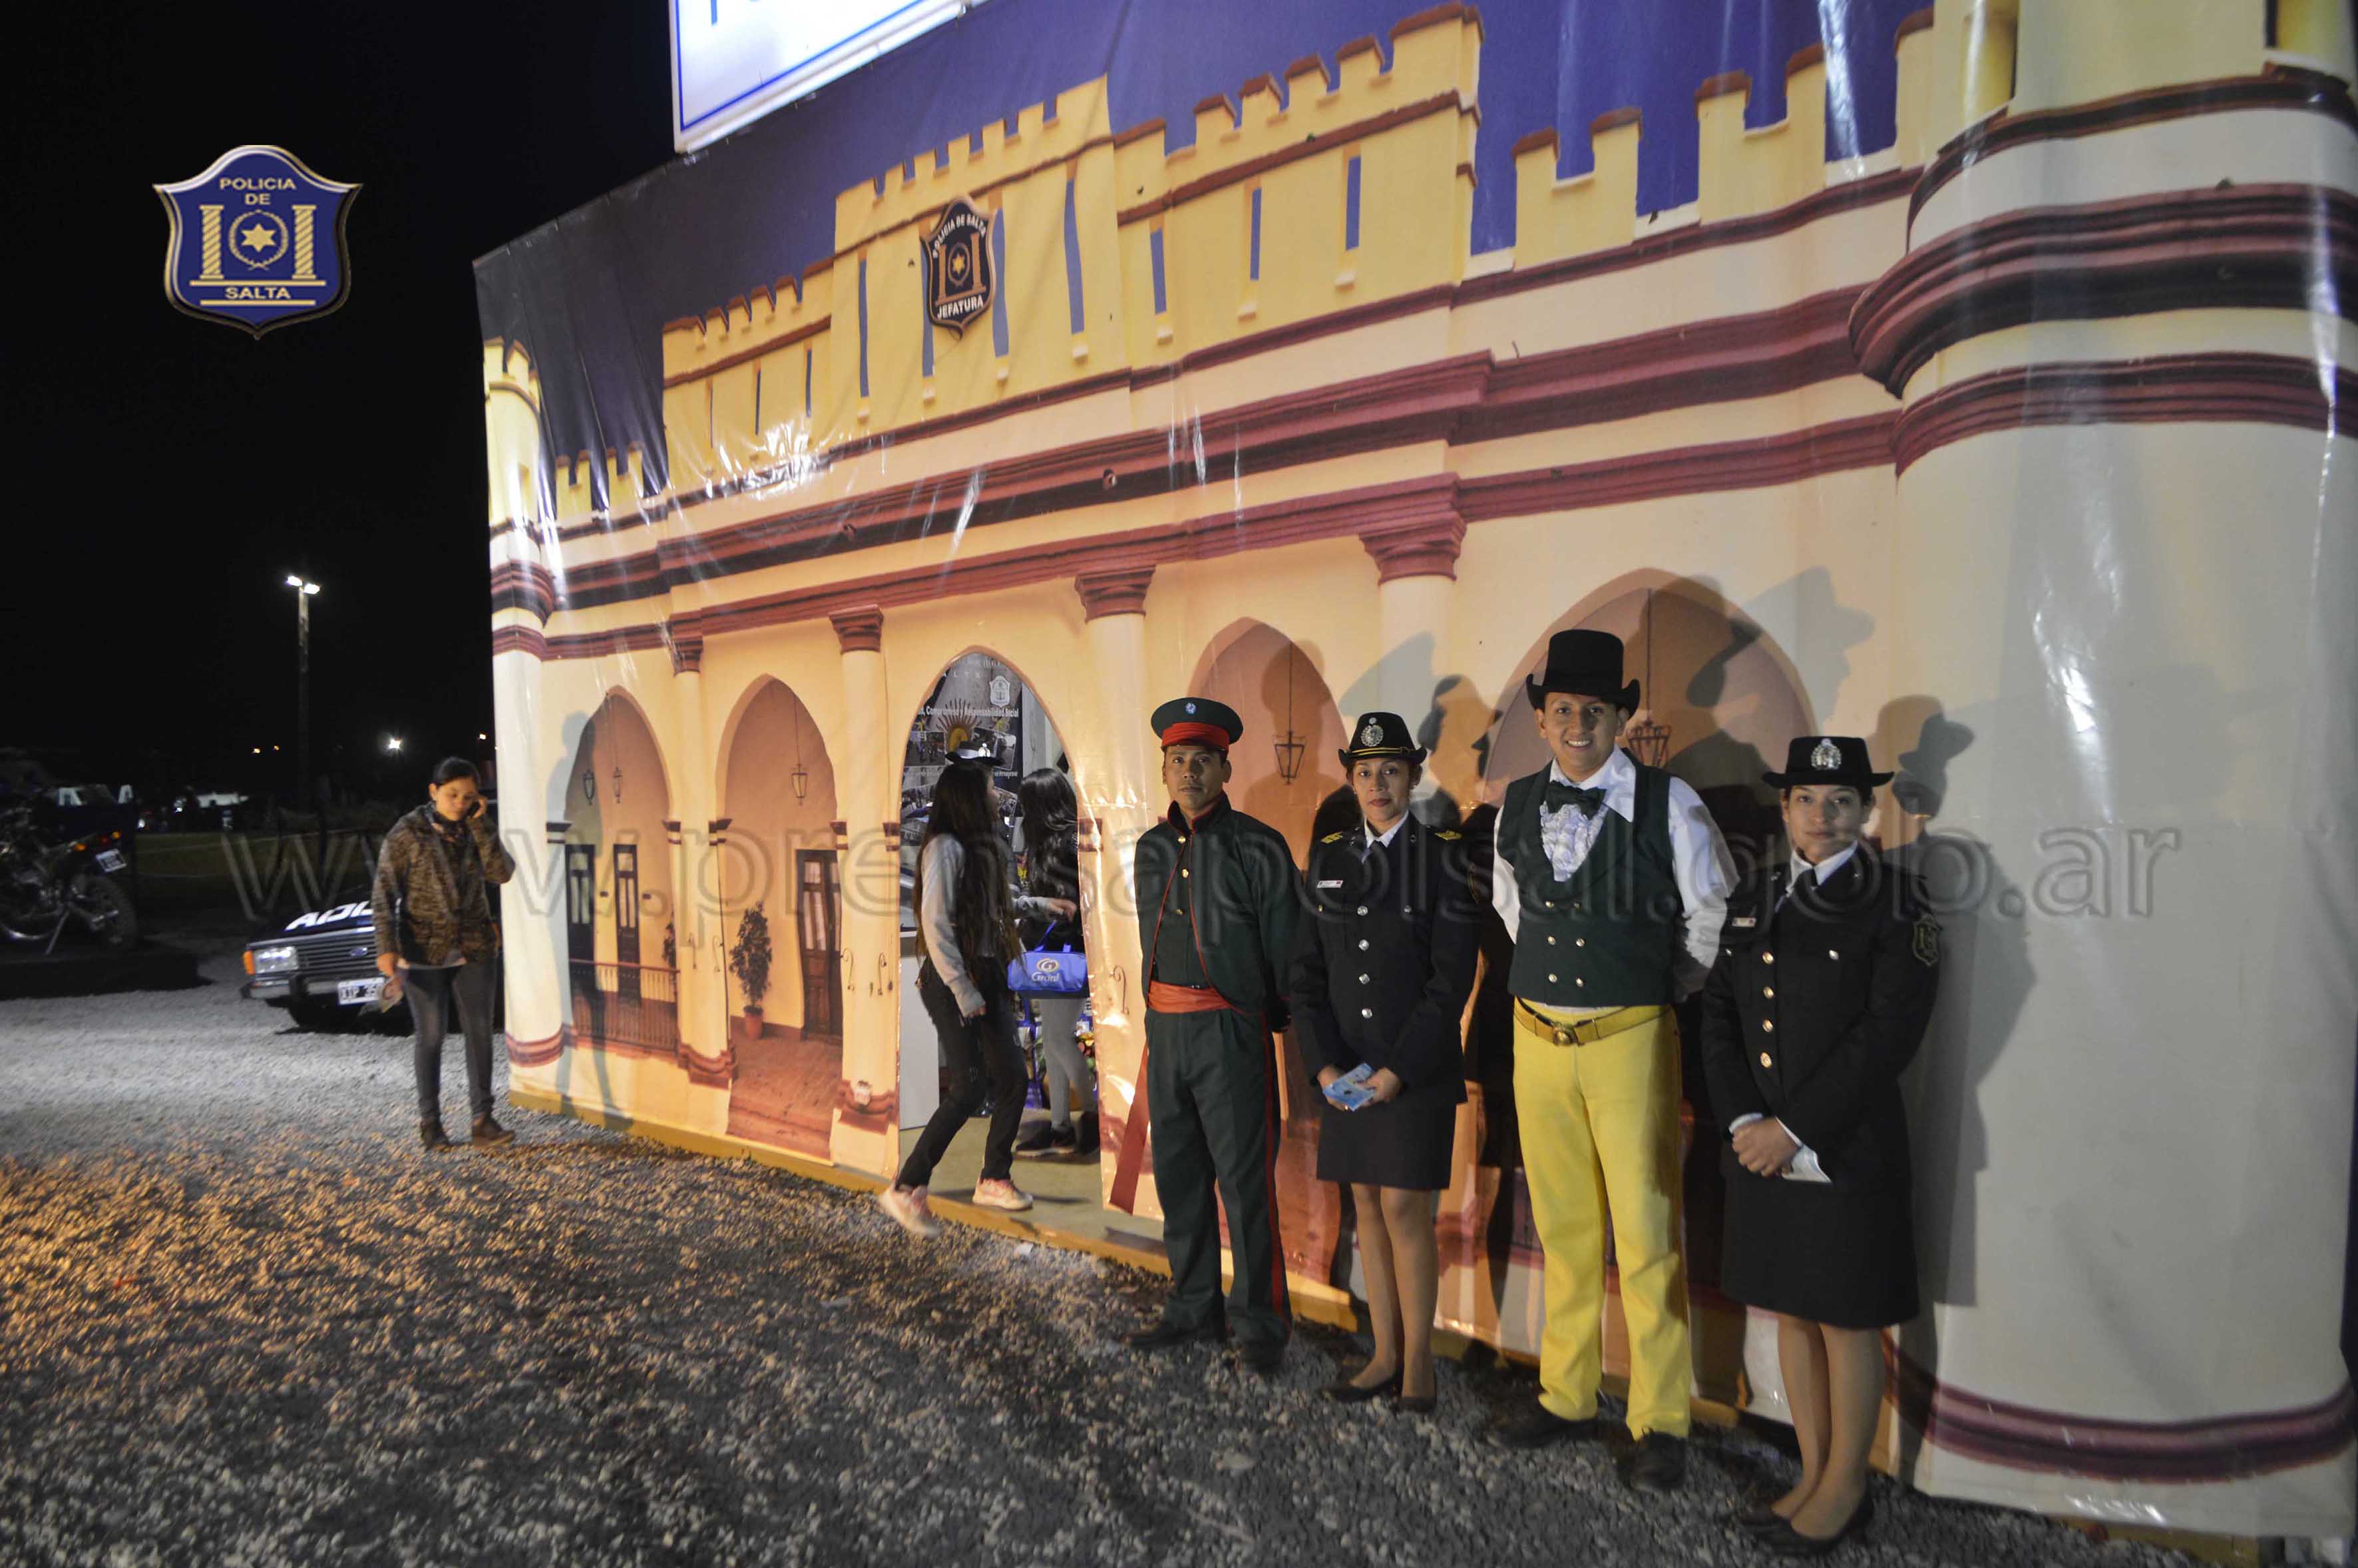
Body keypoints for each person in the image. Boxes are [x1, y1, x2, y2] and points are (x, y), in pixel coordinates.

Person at [1487, 629, 1733, 1492]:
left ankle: (1659, 1415)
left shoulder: (1668, 803)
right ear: (1543, 719)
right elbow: (1513, 910)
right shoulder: (1516, 802)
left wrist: (1642, 987)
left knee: (1643, 1231)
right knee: (1561, 1225)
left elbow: (1707, 917)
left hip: (1628, 1039)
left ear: (1621, 716)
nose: (1577, 725)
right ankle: (1565, 1392)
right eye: (1562, 711)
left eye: (1594, 711)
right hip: (1534, 1039)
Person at [1700, 736, 1938, 1556]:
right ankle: (1809, 1471)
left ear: (1865, 811)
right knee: (1794, 1312)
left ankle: (1847, 1487)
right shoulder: (1758, 893)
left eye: (1840, 801)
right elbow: (1721, 1014)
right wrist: (1741, 1123)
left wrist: (1793, 1130)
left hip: (1845, 1148)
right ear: (1785, 807)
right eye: (1806, 799)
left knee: (1847, 1320)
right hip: (1762, 1147)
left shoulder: (1898, 900)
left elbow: (1887, 1034)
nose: (1822, 815)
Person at [1289, 711, 1478, 1413]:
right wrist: (1325, 1070)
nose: (1377, 783)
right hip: (1346, 1072)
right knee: (1365, 1200)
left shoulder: (1444, 861)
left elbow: (1450, 980)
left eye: (1391, 770)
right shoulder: (1329, 861)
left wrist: (1395, 1073)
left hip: (1413, 1071)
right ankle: (1385, 1353)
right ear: (1351, 777)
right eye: (1365, 771)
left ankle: (1421, 1365)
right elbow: (1305, 974)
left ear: (1413, 776)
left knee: (1404, 1207)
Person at [1120, 697, 1302, 1377]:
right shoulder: (1149, 850)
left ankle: (1260, 1324)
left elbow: (1287, 947)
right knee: (1179, 1176)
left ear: (1226, 767)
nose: (1189, 772)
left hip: (1230, 1030)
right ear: (1164, 769)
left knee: (1244, 1184)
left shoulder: (1260, 845)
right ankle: (1194, 1305)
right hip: (1166, 1031)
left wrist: (1267, 1017)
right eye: (1177, 760)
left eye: (1202, 760)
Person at [878, 763, 1034, 1237]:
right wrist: (964, 991)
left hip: (981, 974)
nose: (996, 796)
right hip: (956, 980)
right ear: (969, 796)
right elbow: (936, 925)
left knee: (1009, 1078)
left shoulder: (974, 848)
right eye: (989, 788)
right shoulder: (944, 849)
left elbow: (992, 906)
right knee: (970, 1086)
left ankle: (992, 1177)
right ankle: (906, 1187)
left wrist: (1040, 907)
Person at [370, 757, 516, 1151]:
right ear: (434, 792)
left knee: (480, 1034)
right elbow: (384, 891)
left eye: (468, 796)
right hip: (423, 950)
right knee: (431, 1036)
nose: (459, 802)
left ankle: (483, 1119)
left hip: (474, 947)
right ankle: (430, 1123)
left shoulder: (475, 828)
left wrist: (481, 825)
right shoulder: (408, 833)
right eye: (452, 795)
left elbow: (502, 873)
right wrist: (387, 946)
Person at [1010, 767, 1098, 1159]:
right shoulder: (1062, 840)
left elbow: (1075, 905)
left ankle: (1093, 1117)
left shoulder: (1064, 843)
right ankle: (1061, 1124)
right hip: (1058, 954)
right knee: (1054, 1037)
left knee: (1059, 1038)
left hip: (1064, 953)